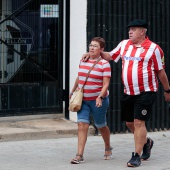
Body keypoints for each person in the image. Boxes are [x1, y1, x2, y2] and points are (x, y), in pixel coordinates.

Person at [82, 19, 170, 167]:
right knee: (130, 123)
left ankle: (136, 155)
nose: (130, 31)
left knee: (138, 122)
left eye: (134, 29)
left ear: (142, 32)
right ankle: (146, 142)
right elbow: (110, 56)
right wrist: (92, 53)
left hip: (146, 91)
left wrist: (167, 90)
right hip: (128, 91)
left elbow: (161, 72)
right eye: (129, 29)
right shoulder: (124, 45)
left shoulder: (154, 49)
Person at [70, 37, 112, 164]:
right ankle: (79, 155)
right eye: (91, 45)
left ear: (101, 49)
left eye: (95, 46)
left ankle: (108, 147)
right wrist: (73, 91)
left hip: (98, 101)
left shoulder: (104, 64)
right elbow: (80, 77)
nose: (92, 48)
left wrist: (100, 96)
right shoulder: (83, 60)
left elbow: (106, 83)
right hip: (83, 100)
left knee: (101, 125)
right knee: (82, 125)